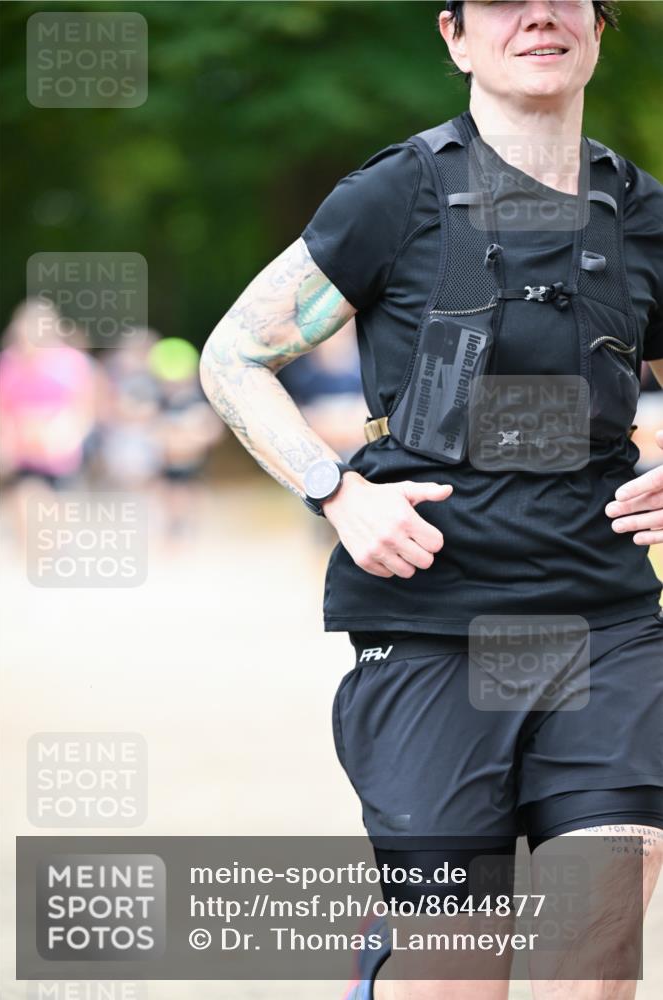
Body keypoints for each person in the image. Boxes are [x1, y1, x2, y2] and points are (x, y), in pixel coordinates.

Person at [199, 2, 663, 997]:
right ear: (453, 35)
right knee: (459, 965)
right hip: (429, 612)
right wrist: (334, 492)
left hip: (604, 614)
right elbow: (234, 353)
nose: (539, 13)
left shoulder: (638, 210)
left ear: (596, 27)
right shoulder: (396, 193)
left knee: (600, 924)